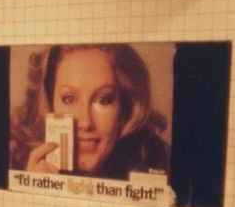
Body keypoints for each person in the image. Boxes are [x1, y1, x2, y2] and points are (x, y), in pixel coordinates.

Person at [10, 44, 170, 180]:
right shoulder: (13, 168)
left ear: (125, 110)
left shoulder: (160, 175)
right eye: (69, 99)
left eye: (103, 100)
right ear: (49, 105)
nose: (85, 123)